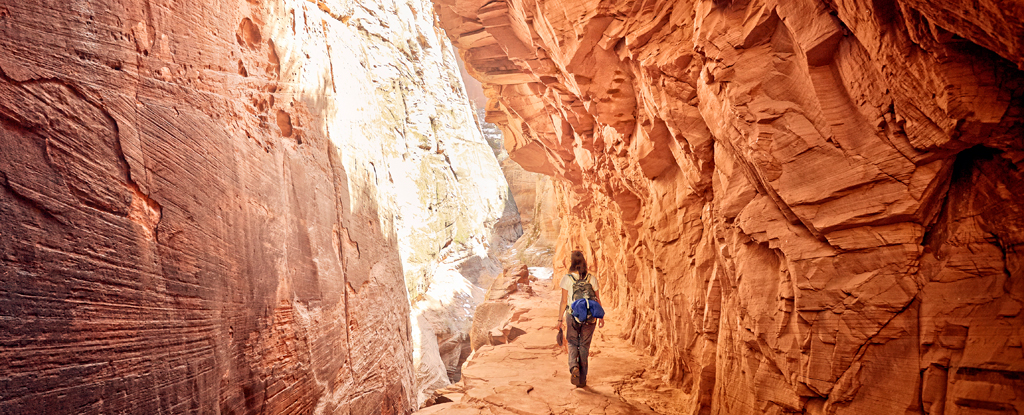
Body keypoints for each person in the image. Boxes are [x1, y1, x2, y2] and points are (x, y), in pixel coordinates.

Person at [557, 250, 604, 387]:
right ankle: (582, 379)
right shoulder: (591, 278)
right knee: (584, 346)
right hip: (590, 317)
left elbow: (563, 301)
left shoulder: (567, 279)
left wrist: (560, 319)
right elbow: (597, 299)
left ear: (572, 262)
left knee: (572, 342)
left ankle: (573, 367)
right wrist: (600, 317)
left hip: (573, 315)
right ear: (584, 262)